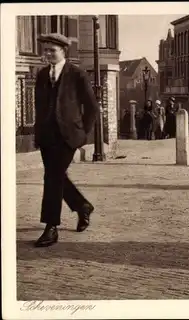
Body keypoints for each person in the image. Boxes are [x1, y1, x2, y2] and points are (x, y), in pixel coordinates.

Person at [33, 33, 99, 247]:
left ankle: (51, 227)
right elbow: (40, 106)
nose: (48, 54)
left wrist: (82, 134)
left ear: (64, 51)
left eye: (52, 50)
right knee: (56, 176)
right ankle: (82, 206)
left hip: (68, 136)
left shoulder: (76, 74)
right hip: (47, 135)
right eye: (46, 50)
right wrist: (39, 131)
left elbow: (91, 107)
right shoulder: (42, 75)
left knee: (52, 178)